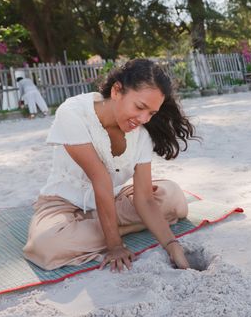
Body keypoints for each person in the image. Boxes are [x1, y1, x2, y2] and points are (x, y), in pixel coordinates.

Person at [23, 59, 198, 272]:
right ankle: (113, 229)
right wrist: (114, 245)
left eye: (151, 113)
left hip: (112, 199)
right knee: (45, 245)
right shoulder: (73, 113)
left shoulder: (141, 134)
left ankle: (98, 226)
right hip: (64, 202)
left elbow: (144, 198)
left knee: (174, 198)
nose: (144, 119)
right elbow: (100, 179)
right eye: (140, 107)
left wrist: (172, 246)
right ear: (116, 91)